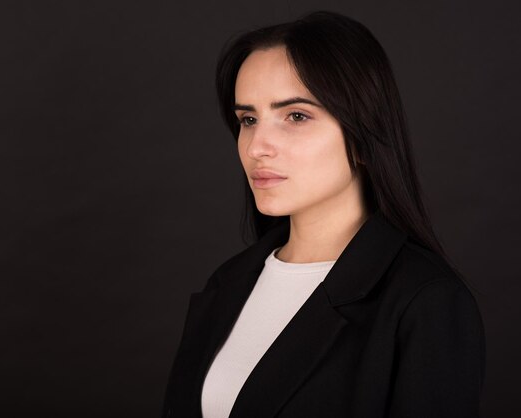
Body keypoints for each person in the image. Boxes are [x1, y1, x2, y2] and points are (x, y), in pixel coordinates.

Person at [161, 10, 485, 418]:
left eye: (296, 116)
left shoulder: (424, 302)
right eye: (248, 119)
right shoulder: (229, 282)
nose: (257, 146)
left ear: (364, 136)